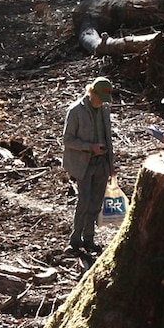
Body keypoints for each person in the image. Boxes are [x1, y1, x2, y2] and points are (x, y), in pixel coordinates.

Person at [62, 76, 114, 256]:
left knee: (95, 203)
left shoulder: (105, 109)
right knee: (83, 201)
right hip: (83, 164)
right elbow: (67, 140)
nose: (101, 102)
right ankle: (75, 240)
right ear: (91, 93)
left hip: (102, 164)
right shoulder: (76, 110)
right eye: (99, 97)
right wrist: (89, 147)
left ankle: (89, 239)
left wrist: (111, 165)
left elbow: (108, 136)